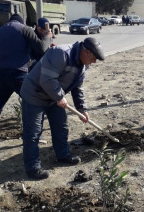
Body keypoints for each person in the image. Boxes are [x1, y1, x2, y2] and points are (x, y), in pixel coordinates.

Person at [20, 37, 105, 179]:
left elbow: (78, 87)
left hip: (54, 98)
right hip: (34, 95)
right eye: (94, 58)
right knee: (33, 133)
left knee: (61, 127)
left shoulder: (83, 64)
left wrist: (82, 109)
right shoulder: (60, 53)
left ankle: (63, 155)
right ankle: (32, 168)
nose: (94, 62)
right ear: (87, 52)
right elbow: (47, 79)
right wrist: (60, 97)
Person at [0, 14, 52, 145]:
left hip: (0, 75)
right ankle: (35, 136)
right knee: (33, 103)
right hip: (18, 75)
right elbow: (41, 48)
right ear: (22, 21)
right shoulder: (25, 29)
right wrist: (47, 37)